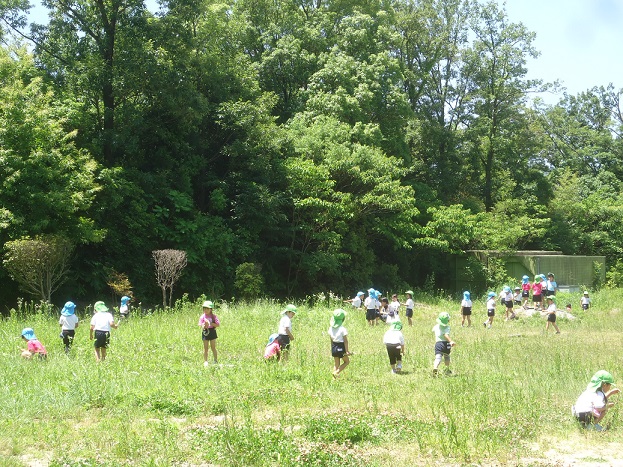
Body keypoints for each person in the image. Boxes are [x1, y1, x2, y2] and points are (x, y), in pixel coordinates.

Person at [328, 309, 350, 378]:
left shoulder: (331, 328)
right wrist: (347, 351)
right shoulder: (342, 329)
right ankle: (336, 372)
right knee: (347, 362)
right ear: (343, 319)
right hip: (341, 347)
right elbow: (345, 341)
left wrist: (332, 348)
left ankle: (334, 379)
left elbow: (331, 339)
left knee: (336, 364)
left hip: (334, 346)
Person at [432, 312, 456, 377]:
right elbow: (445, 335)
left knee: (438, 357)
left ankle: (435, 367)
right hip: (446, 344)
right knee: (447, 356)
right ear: (448, 320)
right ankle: (447, 369)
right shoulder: (447, 327)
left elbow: (433, 330)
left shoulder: (436, 326)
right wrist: (451, 341)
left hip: (438, 343)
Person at [198, 300, 220, 366]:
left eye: (207, 308)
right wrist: (204, 325)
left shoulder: (214, 316)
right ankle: (205, 361)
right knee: (205, 348)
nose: (206, 310)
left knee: (213, 347)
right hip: (205, 332)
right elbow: (200, 324)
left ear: (211, 309)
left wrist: (210, 323)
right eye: (204, 308)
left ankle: (215, 360)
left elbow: (218, 325)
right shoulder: (202, 316)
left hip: (212, 332)